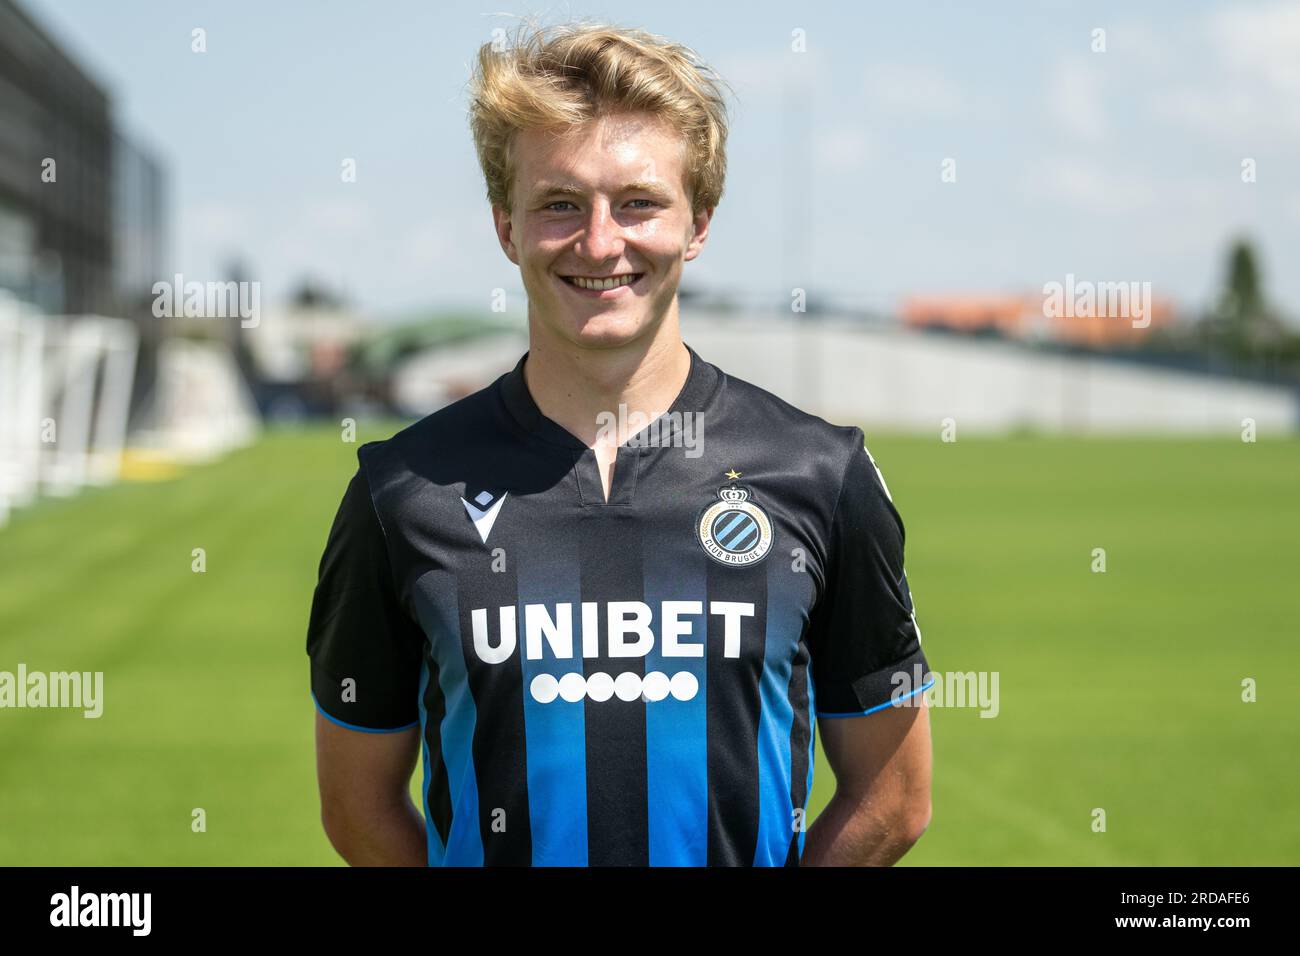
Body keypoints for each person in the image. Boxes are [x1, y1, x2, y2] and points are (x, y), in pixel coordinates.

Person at [307, 20, 934, 867]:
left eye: (638, 202)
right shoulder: (401, 494)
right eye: (560, 204)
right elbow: (356, 804)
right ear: (505, 226)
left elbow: (893, 796)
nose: (601, 243)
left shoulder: (821, 475)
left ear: (699, 221)